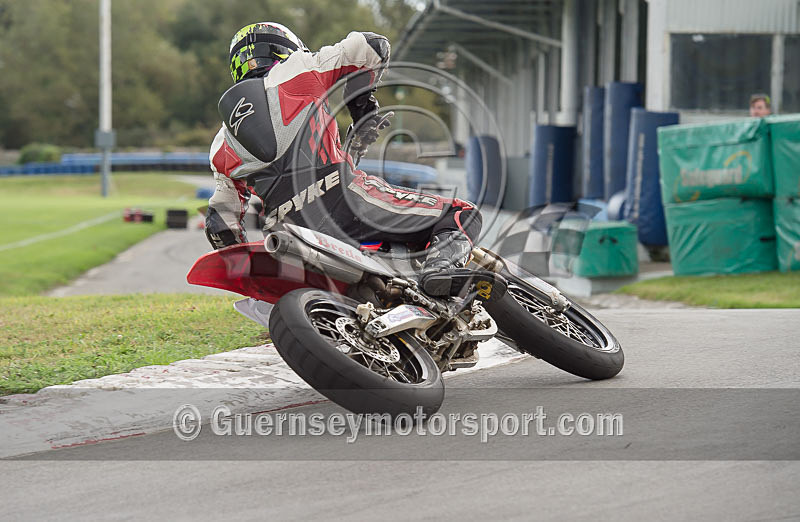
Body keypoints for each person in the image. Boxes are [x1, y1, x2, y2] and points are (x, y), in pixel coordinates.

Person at [205, 22, 481, 296]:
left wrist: (247, 276)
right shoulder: (299, 68)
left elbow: (220, 223)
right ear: (283, 48)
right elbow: (373, 46)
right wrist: (360, 107)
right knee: (461, 214)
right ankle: (440, 270)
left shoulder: (222, 142)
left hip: (285, 233)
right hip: (347, 204)